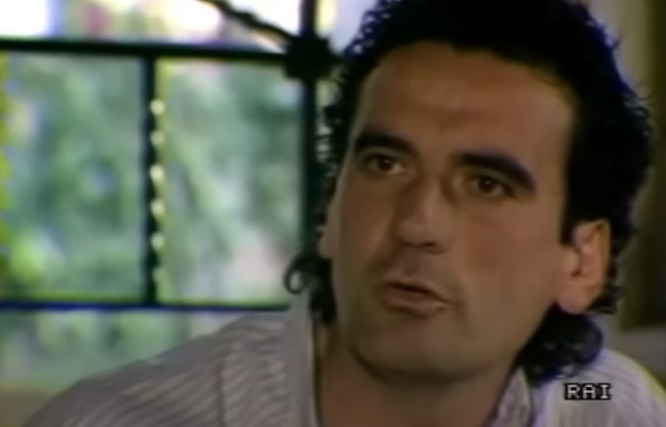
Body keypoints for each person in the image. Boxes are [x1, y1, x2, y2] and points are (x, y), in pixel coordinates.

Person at [26, 0, 666, 426]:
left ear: (582, 262)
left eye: (486, 185)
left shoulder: (598, 402)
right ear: (332, 209)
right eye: (385, 165)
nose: (417, 223)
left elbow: (591, 393)